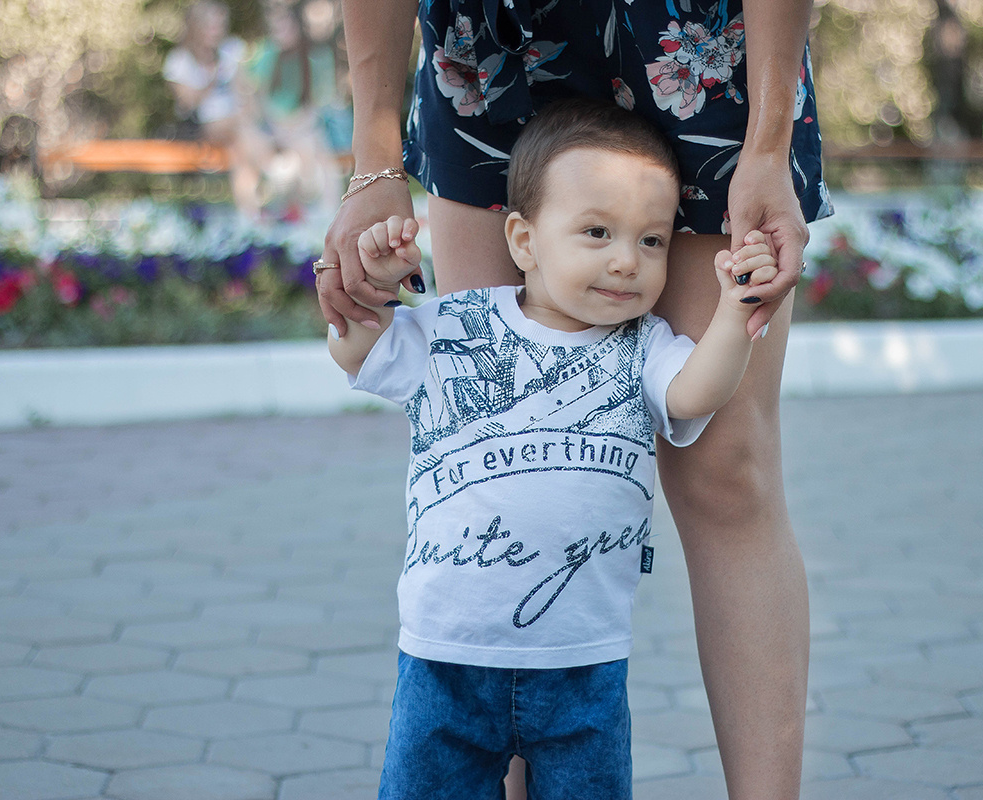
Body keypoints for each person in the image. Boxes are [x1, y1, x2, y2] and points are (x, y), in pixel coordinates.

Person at [317, 2, 832, 797]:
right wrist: (375, 165)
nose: (628, 262)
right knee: (496, 403)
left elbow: (698, 384)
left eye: (645, 248)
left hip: (691, 38)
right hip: (492, 42)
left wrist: (766, 145)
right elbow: (365, 346)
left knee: (726, 468)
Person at [163, 0, 272, 216]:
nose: (217, 31)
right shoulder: (178, 60)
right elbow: (189, 103)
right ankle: (273, 173)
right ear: (197, 27)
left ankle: (249, 214)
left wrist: (245, 98)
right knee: (242, 128)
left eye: (220, 25)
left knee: (240, 150)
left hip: (237, 128)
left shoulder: (232, 50)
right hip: (199, 128)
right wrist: (213, 74)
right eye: (211, 25)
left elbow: (245, 91)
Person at [244, 2, 342, 211]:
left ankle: (324, 212)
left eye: (286, 28)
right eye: (277, 29)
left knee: (318, 156)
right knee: (270, 155)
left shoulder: (317, 57)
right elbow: (256, 97)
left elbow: (322, 101)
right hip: (273, 128)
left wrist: (297, 125)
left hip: (305, 127)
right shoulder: (267, 55)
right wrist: (275, 125)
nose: (281, 34)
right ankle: (270, 210)